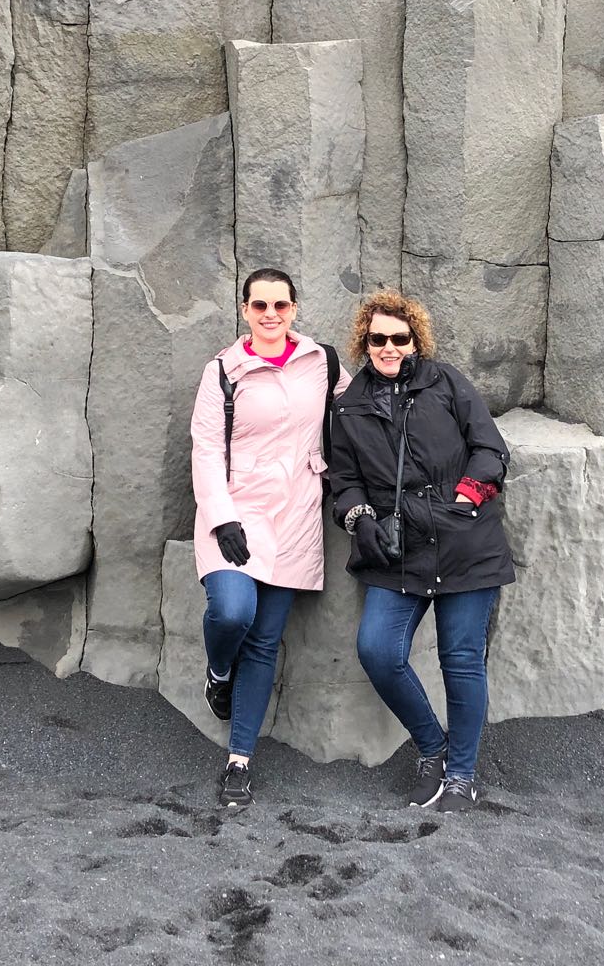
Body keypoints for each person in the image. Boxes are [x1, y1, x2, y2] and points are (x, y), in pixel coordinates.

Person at [329, 290, 514, 813]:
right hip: (397, 549)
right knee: (379, 651)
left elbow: (490, 448)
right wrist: (358, 518)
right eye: (378, 339)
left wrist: (465, 496)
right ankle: (432, 747)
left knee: (461, 658)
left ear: (416, 340)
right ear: (365, 343)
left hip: (463, 541)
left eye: (399, 338)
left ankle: (461, 775)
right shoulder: (349, 407)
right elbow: (343, 480)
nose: (389, 348)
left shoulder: (446, 382)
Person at [191, 268, 349, 809]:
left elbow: (360, 410)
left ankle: (239, 761)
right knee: (232, 612)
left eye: (280, 305)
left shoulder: (320, 361)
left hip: (297, 514)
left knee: (263, 643)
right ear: (244, 310)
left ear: (294, 308)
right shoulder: (222, 371)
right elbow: (207, 449)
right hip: (236, 513)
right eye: (260, 305)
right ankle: (217, 674)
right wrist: (221, 517)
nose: (270, 315)